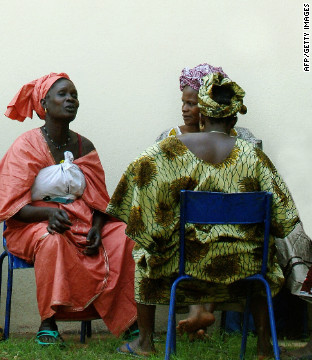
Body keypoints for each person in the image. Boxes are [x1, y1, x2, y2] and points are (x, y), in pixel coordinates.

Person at [106, 73, 300, 358]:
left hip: (185, 264)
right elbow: (284, 219)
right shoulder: (255, 157)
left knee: (143, 257)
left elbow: (138, 181)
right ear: (234, 121)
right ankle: (264, 346)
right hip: (245, 266)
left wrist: (156, 233)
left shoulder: (168, 150)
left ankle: (145, 343)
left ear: (203, 114)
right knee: (267, 258)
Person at [0, 73, 137, 346]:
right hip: (30, 224)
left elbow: (101, 201)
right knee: (52, 240)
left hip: (83, 222)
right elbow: (10, 206)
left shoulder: (85, 146)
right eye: (63, 94)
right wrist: (47, 214)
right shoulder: (26, 145)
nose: (71, 99)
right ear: (44, 103)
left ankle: (130, 322)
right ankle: (48, 324)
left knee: (124, 236)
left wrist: (95, 228)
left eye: (74, 95)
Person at [155, 63, 259, 145]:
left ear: (210, 105)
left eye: (191, 104)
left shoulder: (241, 137)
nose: (184, 109)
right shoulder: (168, 138)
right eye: (183, 102)